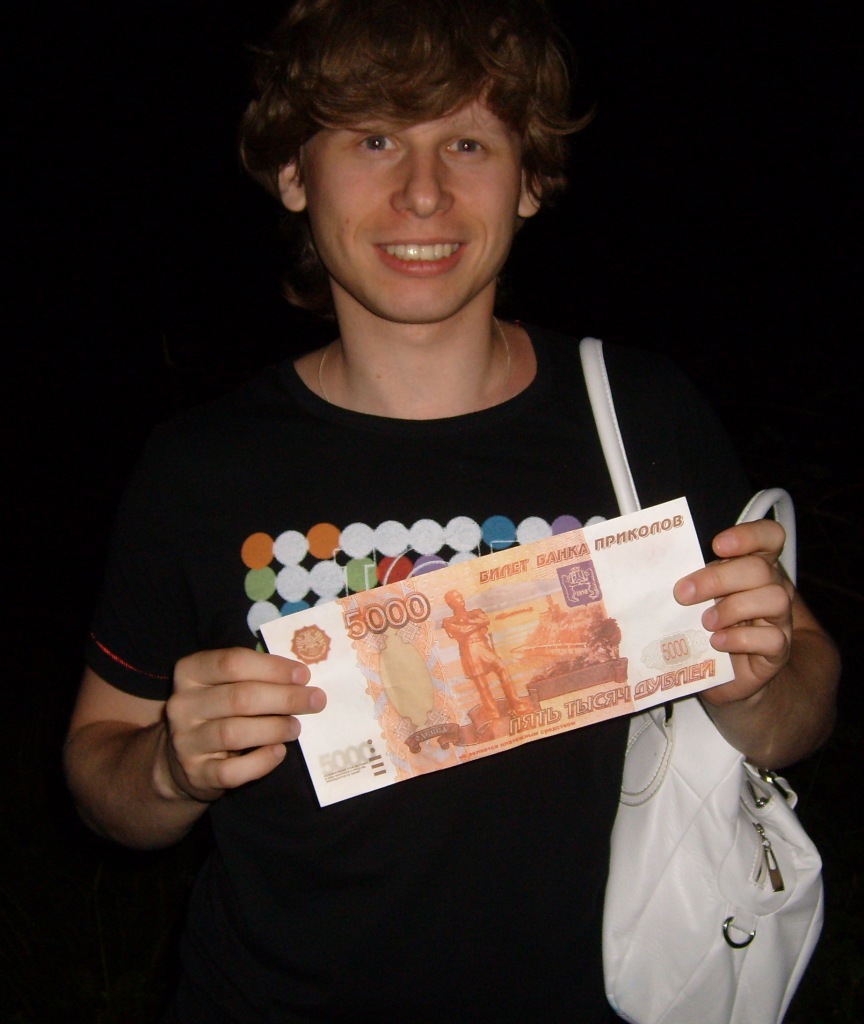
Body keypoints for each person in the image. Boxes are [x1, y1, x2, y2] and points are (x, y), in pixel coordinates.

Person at [63, 1, 841, 1021]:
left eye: (468, 143)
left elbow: (798, 712)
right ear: (295, 172)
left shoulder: (639, 413)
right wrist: (170, 768)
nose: (423, 192)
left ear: (530, 180)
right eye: (373, 139)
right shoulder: (199, 467)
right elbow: (99, 772)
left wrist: (757, 684)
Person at [442, 588, 533, 718]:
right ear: (450, 603)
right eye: (456, 597)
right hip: (469, 652)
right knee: (481, 684)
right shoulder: (448, 621)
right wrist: (477, 625)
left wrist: (468, 623)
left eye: (460, 595)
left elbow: (485, 620)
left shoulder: (475, 612)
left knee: (502, 667)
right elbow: (462, 632)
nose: (460, 598)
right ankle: (492, 712)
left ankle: (515, 703)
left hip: (483, 647)